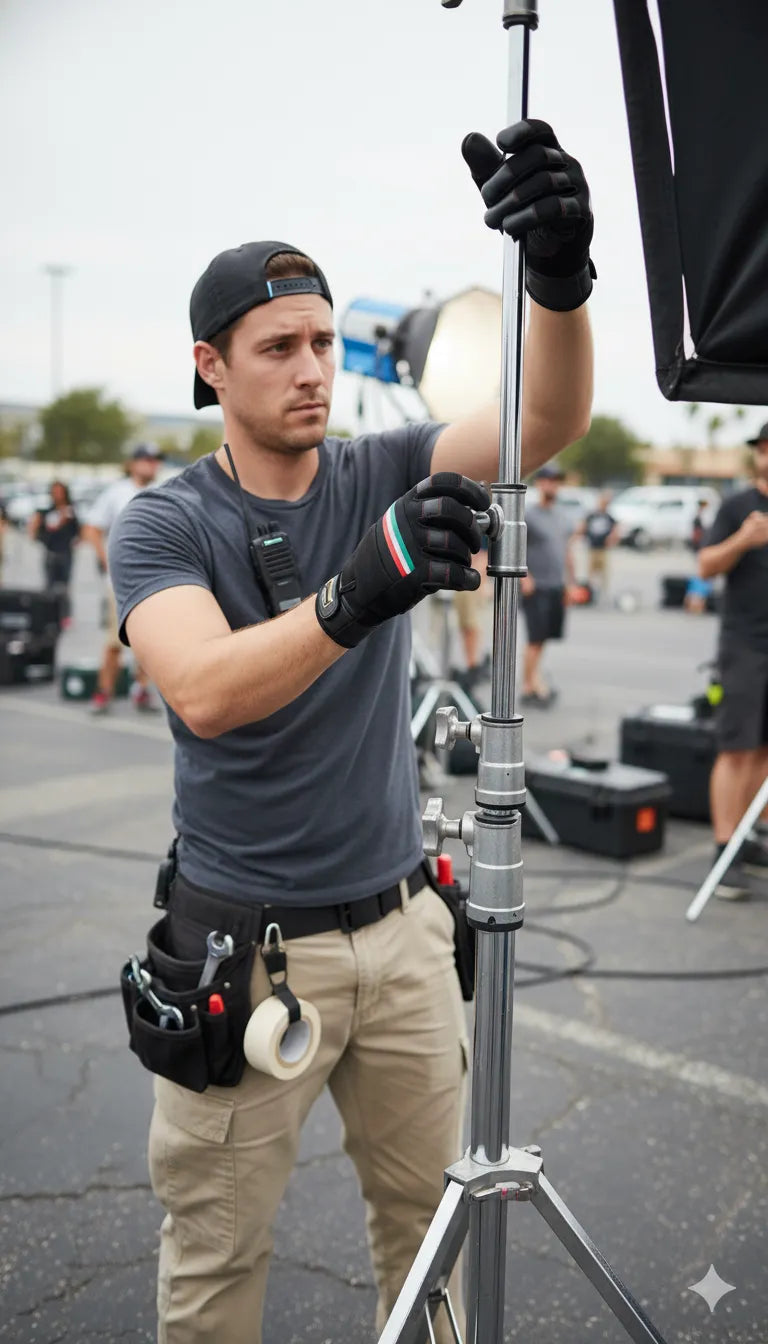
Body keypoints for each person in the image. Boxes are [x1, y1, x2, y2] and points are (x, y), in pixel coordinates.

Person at [109, 116, 595, 1344]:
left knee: (435, 1249)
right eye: (278, 347)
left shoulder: (379, 462)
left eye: (323, 340)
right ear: (211, 367)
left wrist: (563, 283)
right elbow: (205, 688)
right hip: (249, 953)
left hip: (404, 938)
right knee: (216, 1273)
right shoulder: (162, 526)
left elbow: (545, 424)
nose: (312, 367)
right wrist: (358, 590)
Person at [698, 423, 768, 898]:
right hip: (745, 643)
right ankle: (725, 850)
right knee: (738, 747)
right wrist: (743, 539)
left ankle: (749, 834)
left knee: (763, 748)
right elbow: (704, 567)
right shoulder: (738, 507)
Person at [82, 444, 164, 713]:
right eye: (147, 460)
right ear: (132, 463)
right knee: (115, 643)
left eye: (155, 461)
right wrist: (105, 558)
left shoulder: (162, 492)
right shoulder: (117, 493)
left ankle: (140, 691)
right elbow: (92, 528)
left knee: (150, 644)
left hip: (153, 583)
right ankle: (103, 693)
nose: (152, 465)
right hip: (119, 584)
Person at [520, 462, 576, 706]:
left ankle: (535, 679)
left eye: (556, 481)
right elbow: (515, 548)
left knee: (543, 639)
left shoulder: (562, 516)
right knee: (534, 638)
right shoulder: (528, 515)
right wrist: (525, 577)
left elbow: (567, 551)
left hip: (556, 586)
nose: (552, 485)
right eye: (548, 480)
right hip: (536, 586)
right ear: (540, 483)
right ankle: (529, 686)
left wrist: (570, 584)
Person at [28, 480, 80, 625]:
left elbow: (77, 531)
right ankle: (49, 614)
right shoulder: (46, 512)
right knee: (49, 587)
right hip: (50, 552)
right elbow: (39, 534)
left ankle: (65, 615)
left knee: (64, 588)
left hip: (65, 553)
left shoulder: (71, 511)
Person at [579, 488, 618, 601]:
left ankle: (603, 593)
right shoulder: (592, 515)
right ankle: (590, 592)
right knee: (591, 572)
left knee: (604, 572)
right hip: (592, 547)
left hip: (603, 548)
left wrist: (612, 538)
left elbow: (616, 528)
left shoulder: (608, 516)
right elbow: (583, 526)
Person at [684, 496, 716, 613]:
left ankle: (694, 602)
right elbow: (697, 535)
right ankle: (695, 603)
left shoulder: (700, 517)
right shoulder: (699, 518)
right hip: (701, 549)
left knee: (700, 575)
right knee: (701, 576)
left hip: (701, 548)